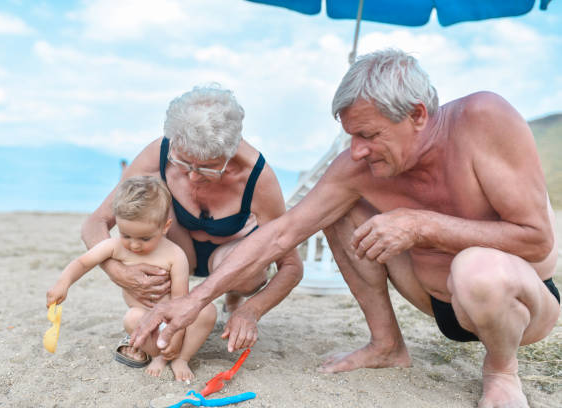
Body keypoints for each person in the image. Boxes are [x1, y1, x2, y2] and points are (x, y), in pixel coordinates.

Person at [131, 49, 560, 407]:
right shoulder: (362, 167)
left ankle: (501, 372)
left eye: (368, 135)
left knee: (476, 268)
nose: (357, 151)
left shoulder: (483, 119)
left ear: (417, 114)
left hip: (515, 302)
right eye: (350, 136)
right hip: (435, 298)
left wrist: (420, 225)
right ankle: (387, 344)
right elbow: (282, 234)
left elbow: (536, 237)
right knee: (338, 208)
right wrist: (196, 300)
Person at [81, 85, 303, 357]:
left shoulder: (257, 177)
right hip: (177, 247)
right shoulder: (160, 154)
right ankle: (151, 324)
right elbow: (96, 222)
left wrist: (251, 310)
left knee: (245, 270)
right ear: (174, 144)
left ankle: (234, 294)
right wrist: (118, 271)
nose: (194, 177)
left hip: (229, 255)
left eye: (209, 167)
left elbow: (291, 265)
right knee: (137, 238)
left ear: (230, 152)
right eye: (184, 165)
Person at [47, 176, 217, 381]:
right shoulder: (115, 246)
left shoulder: (174, 255)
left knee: (207, 311)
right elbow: (83, 263)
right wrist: (62, 283)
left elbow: (180, 301)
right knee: (132, 317)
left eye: (145, 238)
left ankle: (182, 358)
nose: (135, 245)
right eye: (126, 235)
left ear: (165, 227)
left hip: (173, 317)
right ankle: (157, 356)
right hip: (145, 319)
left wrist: (176, 333)